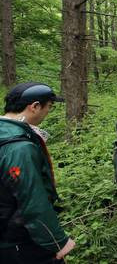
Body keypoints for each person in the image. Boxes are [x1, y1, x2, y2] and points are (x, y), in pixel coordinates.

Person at [0, 82, 75, 263]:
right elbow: (32, 198)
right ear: (34, 106)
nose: (48, 112)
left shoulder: (5, 134)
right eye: (49, 107)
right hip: (20, 238)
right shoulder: (20, 148)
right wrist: (57, 241)